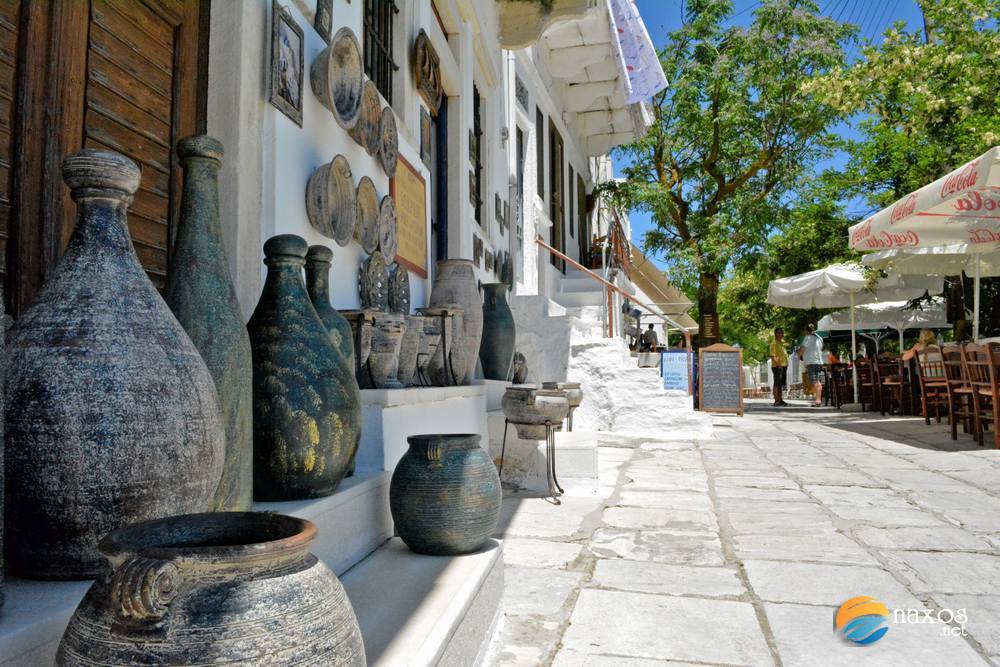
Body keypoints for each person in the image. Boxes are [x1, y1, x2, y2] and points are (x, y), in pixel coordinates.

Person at [798, 323, 825, 407]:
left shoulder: (808, 338)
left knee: (815, 381)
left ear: (806, 331)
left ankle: (818, 400)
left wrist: (798, 355)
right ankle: (818, 400)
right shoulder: (819, 338)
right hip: (818, 362)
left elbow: (802, 349)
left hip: (811, 362)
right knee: (816, 380)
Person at [769, 327, 789, 407]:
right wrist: (779, 364)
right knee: (777, 383)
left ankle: (780, 399)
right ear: (775, 334)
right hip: (777, 366)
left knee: (781, 384)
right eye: (780, 333)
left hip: (783, 366)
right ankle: (776, 400)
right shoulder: (773, 343)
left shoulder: (781, 343)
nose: (782, 334)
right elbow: (773, 356)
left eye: (782, 333)